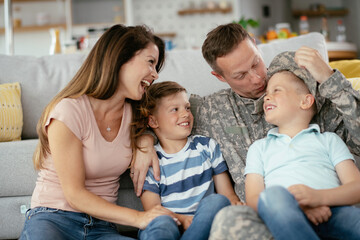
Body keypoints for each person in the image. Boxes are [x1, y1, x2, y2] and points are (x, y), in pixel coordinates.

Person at [131, 23, 360, 239]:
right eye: (241, 75)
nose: (258, 78)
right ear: (219, 77)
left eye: (256, 63)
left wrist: (330, 78)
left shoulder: (299, 86)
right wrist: (145, 141)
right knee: (226, 218)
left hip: (327, 207)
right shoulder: (209, 110)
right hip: (259, 215)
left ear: (255, 44)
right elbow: (164, 120)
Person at [19, 24, 179, 240]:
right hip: (52, 218)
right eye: (150, 62)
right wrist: (140, 218)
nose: (155, 74)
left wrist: (146, 140)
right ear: (120, 58)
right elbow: (74, 195)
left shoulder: (136, 111)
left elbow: (174, 117)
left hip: (101, 228)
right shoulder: (69, 111)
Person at [245, 51, 360, 240]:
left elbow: (356, 188)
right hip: (284, 218)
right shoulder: (259, 148)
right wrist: (299, 207)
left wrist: (318, 198)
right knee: (272, 196)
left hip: (333, 212)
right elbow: (255, 199)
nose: (266, 97)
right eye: (266, 94)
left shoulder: (328, 140)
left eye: (276, 91)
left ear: (306, 101)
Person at [132, 81, 241, 240]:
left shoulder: (206, 146)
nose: (185, 114)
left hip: (203, 223)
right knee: (160, 223)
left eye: (187, 107)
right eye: (175, 109)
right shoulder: (150, 160)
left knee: (217, 201)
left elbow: (228, 195)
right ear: (153, 121)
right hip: (168, 223)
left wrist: (237, 206)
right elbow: (153, 209)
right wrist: (182, 219)